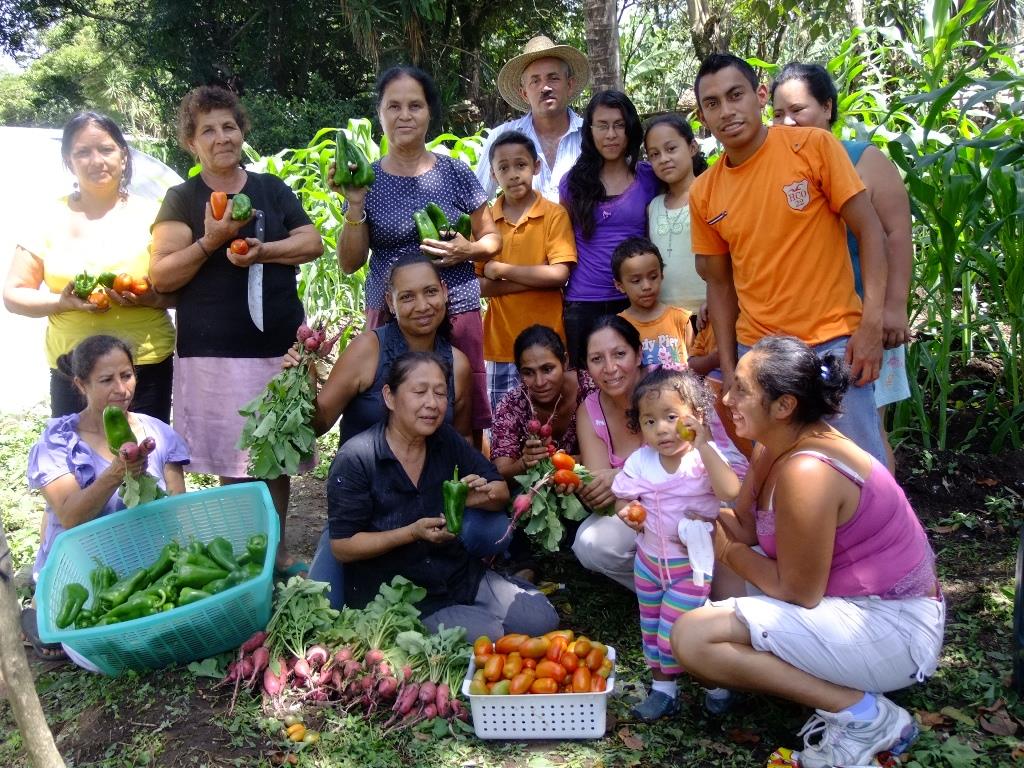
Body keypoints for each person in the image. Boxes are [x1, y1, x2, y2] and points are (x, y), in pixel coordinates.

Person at [672, 336, 944, 767]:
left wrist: (730, 554)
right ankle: (836, 694)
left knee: (693, 637)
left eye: (742, 389)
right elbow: (742, 524)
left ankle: (865, 716)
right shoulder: (774, 445)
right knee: (711, 604)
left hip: (896, 631)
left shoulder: (808, 471)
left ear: (784, 406)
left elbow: (798, 592)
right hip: (847, 608)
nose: (726, 398)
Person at [150, 85, 324, 576]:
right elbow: (162, 274)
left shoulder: (270, 189)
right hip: (214, 350)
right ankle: (249, 557)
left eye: (229, 126)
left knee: (277, 454)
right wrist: (211, 241)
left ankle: (279, 550)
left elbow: (311, 242)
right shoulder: (183, 199)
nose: (221, 137)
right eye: (208, 130)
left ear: (242, 131)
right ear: (191, 142)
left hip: (278, 346)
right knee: (235, 458)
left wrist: (261, 250)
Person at [689, 53, 890, 466]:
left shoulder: (813, 146)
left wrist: (871, 326)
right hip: (759, 353)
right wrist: (730, 369)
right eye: (712, 104)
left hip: (833, 342)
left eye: (735, 95)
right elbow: (720, 286)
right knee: (782, 475)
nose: (726, 111)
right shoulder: (704, 192)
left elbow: (871, 232)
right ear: (702, 116)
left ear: (759, 95)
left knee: (860, 471)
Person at [300, 254, 508, 607]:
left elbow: (459, 444)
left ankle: (456, 573)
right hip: (365, 509)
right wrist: (303, 377)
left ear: (445, 293)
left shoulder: (456, 363)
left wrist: (475, 489)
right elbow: (318, 424)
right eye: (407, 296)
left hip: (427, 504)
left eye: (430, 292)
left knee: (491, 529)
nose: (422, 305)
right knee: (326, 605)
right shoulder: (369, 349)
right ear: (390, 304)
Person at [326, 351, 559, 640]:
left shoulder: (444, 439)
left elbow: (499, 492)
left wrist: (473, 497)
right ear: (389, 396)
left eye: (440, 393)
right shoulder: (357, 458)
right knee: (492, 636)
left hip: (457, 573)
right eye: (420, 392)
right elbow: (343, 546)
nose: (432, 404)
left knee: (542, 620)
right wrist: (411, 533)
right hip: (403, 592)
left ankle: (499, 595)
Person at [333, 66, 501, 443]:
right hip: (390, 309)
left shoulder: (456, 172)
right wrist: (355, 203)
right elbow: (349, 262)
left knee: (461, 411)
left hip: (455, 305)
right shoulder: (365, 178)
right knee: (386, 402)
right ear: (380, 114)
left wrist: (469, 249)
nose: (404, 115)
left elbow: (493, 238)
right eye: (394, 106)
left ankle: (466, 485)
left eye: (415, 105)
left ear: (429, 113)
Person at [771, 62, 913, 473]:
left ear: (828, 107)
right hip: (811, 325)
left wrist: (892, 308)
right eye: (777, 114)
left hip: (866, 318)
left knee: (865, 429)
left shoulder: (862, 158)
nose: (787, 122)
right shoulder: (781, 169)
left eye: (799, 109)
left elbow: (896, 235)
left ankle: (887, 524)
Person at [23, 334, 189, 662]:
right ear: (80, 384)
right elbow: (70, 517)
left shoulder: (157, 433)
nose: (121, 389)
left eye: (126, 376)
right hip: (83, 566)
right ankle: (37, 610)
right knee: (107, 645)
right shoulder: (57, 442)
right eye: (106, 380)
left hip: (140, 566)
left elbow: (177, 511)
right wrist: (116, 473)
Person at [4, 112, 176, 421]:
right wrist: (61, 301)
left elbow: (186, 290)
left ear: (123, 156)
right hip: (75, 370)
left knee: (145, 460)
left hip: (143, 366)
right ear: (69, 161)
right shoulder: (47, 218)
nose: (96, 160)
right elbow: (14, 295)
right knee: (77, 462)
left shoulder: (157, 215)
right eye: (83, 152)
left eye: (106, 149)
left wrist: (154, 298)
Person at [611, 367, 740, 721]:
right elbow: (621, 497)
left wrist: (703, 443)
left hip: (689, 568)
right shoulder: (641, 461)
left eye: (671, 417)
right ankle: (664, 691)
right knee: (650, 628)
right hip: (648, 564)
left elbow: (730, 491)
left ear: (696, 416)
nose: (662, 429)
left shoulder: (701, 462)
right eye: (650, 422)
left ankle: (716, 684)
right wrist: (628, 512)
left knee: (674, 634)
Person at [479, 131, 577, 410]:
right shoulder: (486, 221)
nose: (513, 174)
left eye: (521, 165)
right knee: (505, 426)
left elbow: (560, 275)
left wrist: (501, 270)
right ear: (494, 175)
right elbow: (480, 285)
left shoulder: (554, 215)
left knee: (551, 421)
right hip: (501, 344)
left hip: (549, 343)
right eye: (503, 168)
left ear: (535, 167)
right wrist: (536, 278)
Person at [560, 90, 659, 367]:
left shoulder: (649, 178)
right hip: (583, 302)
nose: (611, 134)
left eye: (619, 125)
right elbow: (563, 243)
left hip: (637, 299)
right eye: (602, 125)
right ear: (589, 131)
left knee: (638, 382)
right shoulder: (572, 184)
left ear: (630, 130)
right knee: (587, 386)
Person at [570, 316, 646, 589]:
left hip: (684, 499)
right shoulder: (590, 410)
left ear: (638, 354)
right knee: (589, 544)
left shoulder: (664, 391)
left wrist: (620, 477)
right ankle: (663, 585)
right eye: (597, 359)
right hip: (634, 509)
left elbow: (683, 470)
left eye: (619, 354)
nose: (610, 368)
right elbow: (598, 493)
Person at [475, 35, 591, 201]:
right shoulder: (499, 139)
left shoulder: (591, 136)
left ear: (570, 84)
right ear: (524, 94)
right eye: (535, 81)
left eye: (553, 78)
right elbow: (477, 202)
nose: (545, 88)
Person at [490, 325, 596, 482]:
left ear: (565, 362)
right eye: (528, 373)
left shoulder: (592, 390)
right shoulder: (511, 406)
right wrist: (523, 464)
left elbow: (616, 454)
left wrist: (564, 463)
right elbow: (500, 472)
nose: (539, 382)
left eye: (547, 369)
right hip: (536, 491)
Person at [643, 114, 709, 315]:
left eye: (671, 149)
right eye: (654, 154)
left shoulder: (712, 195)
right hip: (665, 316)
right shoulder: (653, 206)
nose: (663, 159)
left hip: (708, 311)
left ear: (692, 147)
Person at [612, 237, 693, 368]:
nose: (646, 286)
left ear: (662, 275)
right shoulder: (617, 326)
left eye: (653, 277)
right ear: (619, 285)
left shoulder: (680, 319)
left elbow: (694, 367)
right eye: (636, 281)